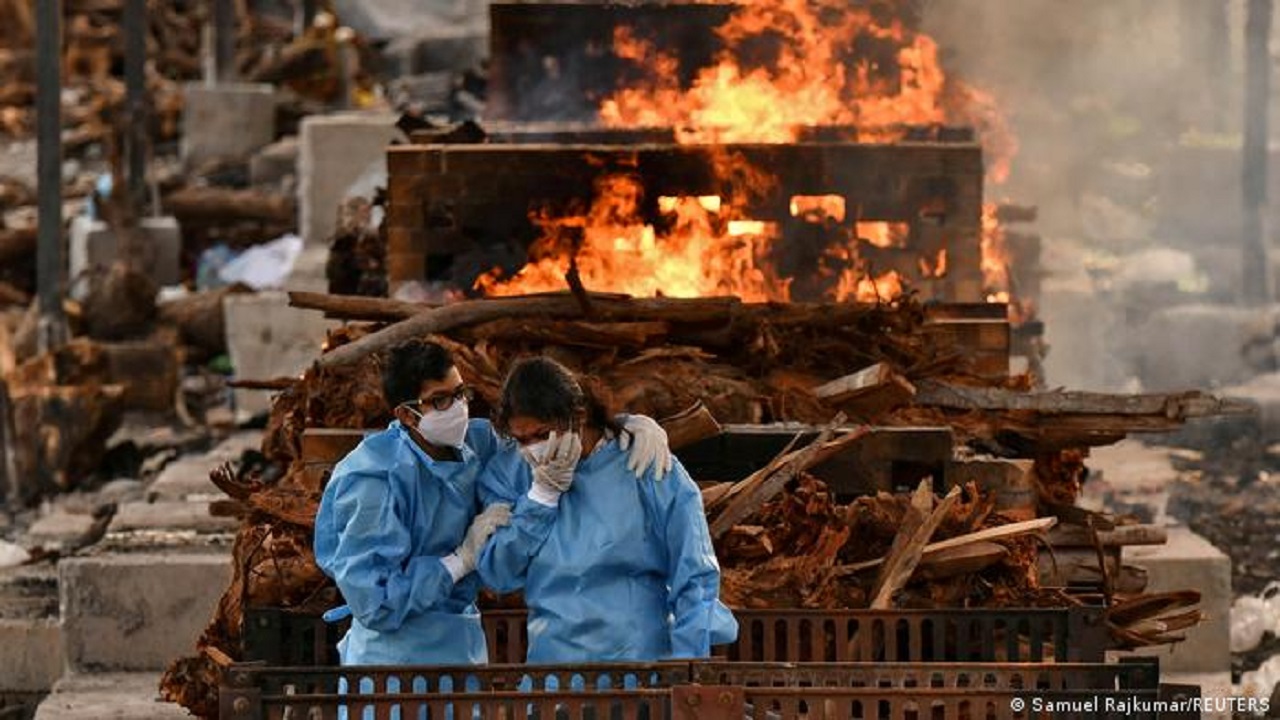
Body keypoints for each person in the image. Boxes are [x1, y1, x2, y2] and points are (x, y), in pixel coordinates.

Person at [314, 339, 674, 668]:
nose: (457, 408)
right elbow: (375, 603)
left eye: (460, 393)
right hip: (390, 664)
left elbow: (545, 431)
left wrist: (623, 426)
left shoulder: (477, 442)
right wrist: (459, 561)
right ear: (407, 415)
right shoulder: (373, 480)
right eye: (441, 400)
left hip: (462, 644)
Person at [475, 356, 738, 666]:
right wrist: (539, 499)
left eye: (542, 435)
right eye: (521, 439)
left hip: (641, 667)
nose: (532, 449)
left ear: (579, 417)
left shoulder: (642, 462)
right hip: (554, 674)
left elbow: (694, 573)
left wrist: (689, 663)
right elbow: (498, 573)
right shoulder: (511, 473)